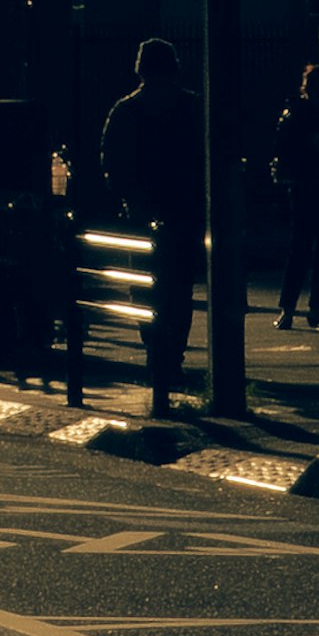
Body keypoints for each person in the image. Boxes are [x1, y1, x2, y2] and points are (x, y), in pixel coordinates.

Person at [98, 36, 205, 412]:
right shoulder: (192, 108)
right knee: (180, 286)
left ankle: (155, 351)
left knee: (145, 286)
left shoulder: (125, 111)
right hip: (185, 210)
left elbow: (111, 164)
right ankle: (172, 356)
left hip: (142, 213)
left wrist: (128, 194)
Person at [270, 62, 319, 333]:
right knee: (316, 250)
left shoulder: (296, 113)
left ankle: (289, 309)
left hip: (306, 188)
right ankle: (310, 309)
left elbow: (285, 149)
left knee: (302, 250)